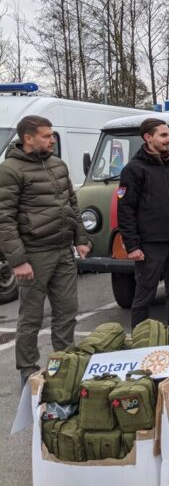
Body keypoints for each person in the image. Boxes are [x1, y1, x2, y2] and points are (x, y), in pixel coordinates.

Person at [0, 115, 90, 387]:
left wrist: (81, 238)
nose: (52, 139)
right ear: (28, 138)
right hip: (34, 253)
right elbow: (4, 218)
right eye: (47, 135)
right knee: (31, 317)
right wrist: (18, 261)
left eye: (52, 135)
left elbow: (71, 205)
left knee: (67, 312)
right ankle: (28, 372)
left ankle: (65, 365)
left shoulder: (57, 164)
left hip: (63, 251)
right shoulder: (10, 170)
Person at [117, 117, 169, 340]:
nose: (168, 139)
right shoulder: (133, 170)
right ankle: (142, 341)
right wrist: (132, 245)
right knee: (144, 296)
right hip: (150, 245)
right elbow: (126, 209)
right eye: (163, 135)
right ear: (147, 137)